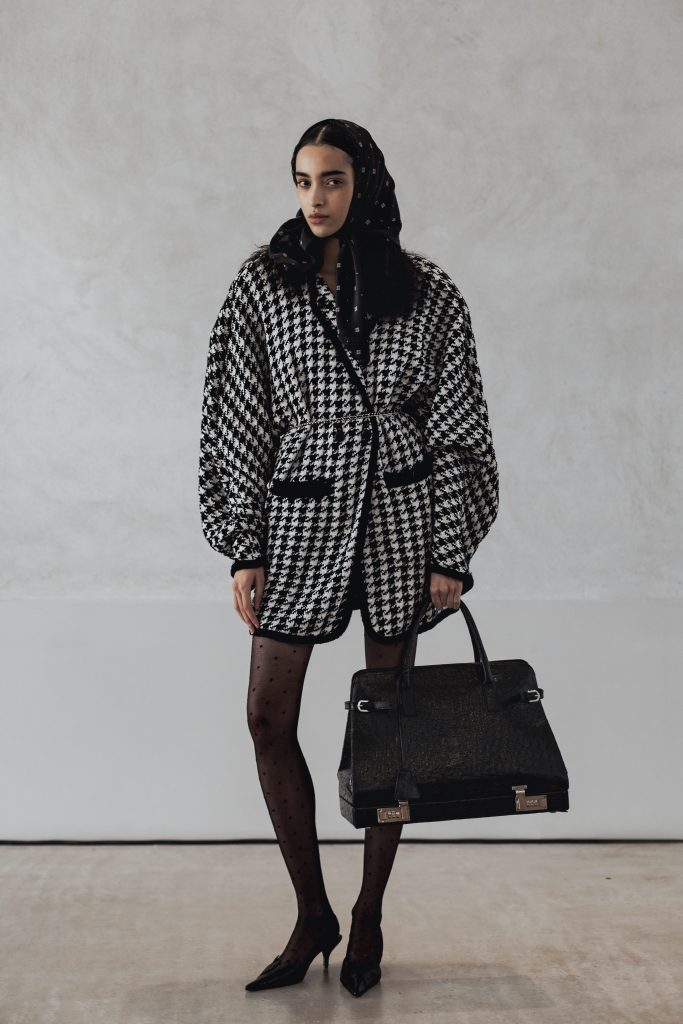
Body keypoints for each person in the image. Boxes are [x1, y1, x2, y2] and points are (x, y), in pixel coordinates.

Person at [198, 118, 499, 997]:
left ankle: (367, 915)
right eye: (302, 180)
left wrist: (450, 550)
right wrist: (243, 546)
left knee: (387, 728)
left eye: (332, 179)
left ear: (364, 183)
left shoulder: (426, 289)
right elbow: (235, 416)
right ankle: (311, 914)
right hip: (299, 518)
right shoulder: (263, 283)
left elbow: (460, 423)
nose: (315, 198)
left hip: (401, 517)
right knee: (267, 718)